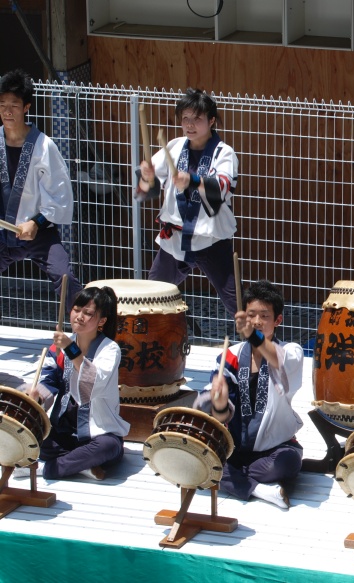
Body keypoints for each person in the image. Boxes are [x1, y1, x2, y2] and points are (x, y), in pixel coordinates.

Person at [193, 279, 304, 509]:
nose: (257, 321)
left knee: (287, 462)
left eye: (264, 316)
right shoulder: (230, 356)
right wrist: (219, 403)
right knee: (200, 459)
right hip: (234, 448)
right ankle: (259, 489)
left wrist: (252, 334)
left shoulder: (291, 351)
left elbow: (277, 359)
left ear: (278, 320)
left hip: (275, 449)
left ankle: (231, 478)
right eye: (252, 315)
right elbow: (220, 417)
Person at [136, 88, 239, 316]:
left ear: (211, 120)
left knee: (236, 302)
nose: (190, 125)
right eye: (185, 118)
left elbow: (222, 188)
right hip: (175, 239)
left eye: (197, 118)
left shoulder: (224, 153)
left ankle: (258, 338)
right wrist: (147, 176)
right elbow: (146, 190)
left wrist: (192, 180)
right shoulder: (174, 146)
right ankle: (155, 337)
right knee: (153, 297)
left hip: (210, 239)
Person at [14, 286, 129, 481]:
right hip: (64, 431)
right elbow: (49, 381)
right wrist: (37, 396)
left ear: (101, 321)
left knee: (108, 448)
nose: (79, 316)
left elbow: (94, 383)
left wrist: (70, 348)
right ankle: (80, 465)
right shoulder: (58, 349)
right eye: (76, 310)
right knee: (36, 436)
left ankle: (44, 469)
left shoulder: (110, 350)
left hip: (98, 433)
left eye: (88, 313)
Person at [0, 69, 82, 309]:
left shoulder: (44, 146)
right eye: (2, 105)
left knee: (65, 278)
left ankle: (88, 327)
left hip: (38, 231)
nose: (7, 111)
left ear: (26, 107)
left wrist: (35, 223)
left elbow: (59, 196)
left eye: (14, 105)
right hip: (3, 232)